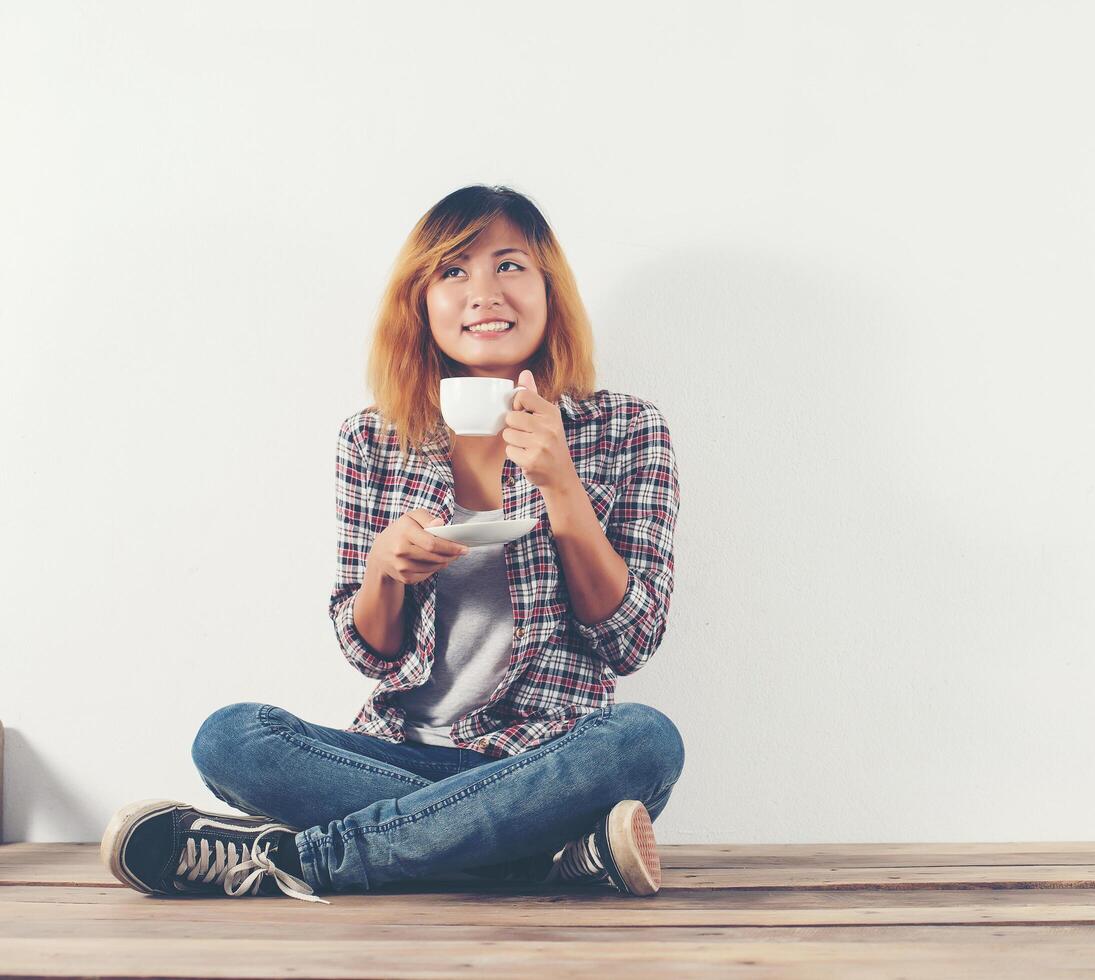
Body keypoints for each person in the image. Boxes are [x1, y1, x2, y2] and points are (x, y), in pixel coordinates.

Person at [100, 185, 685, 904]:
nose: (483, 293)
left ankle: (301, 860)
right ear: (420, 300)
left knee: (642, 743)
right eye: (452, 271)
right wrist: (383, 570)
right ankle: (530, 856)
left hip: (547, 758)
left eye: (510, 266)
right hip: (392, 759)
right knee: (231, 738)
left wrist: (561, 486)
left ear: (548, 289)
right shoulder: (372, 439)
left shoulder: (626, 429)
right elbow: (367, 650)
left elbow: (630, 641)